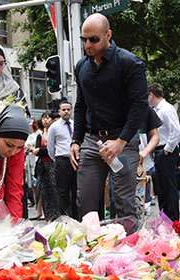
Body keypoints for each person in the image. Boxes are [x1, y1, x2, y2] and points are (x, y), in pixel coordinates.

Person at [70, 13, 149, 220]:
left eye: (94, 39)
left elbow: (139, 106)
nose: (88, 45)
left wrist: (121, 142)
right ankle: (90, 248)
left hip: (122, 140)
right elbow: (80, 105)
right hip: (91, 140)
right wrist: (76, 141)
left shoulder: (130, 63)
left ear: (108, 35)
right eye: (84, 39)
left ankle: (127, 250)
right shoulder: (81, 67)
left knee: (123, 204)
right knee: (85, 202)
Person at [148, 85, 180, 221]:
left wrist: (167, 150)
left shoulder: (167, 109)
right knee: (161, 187)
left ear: (151, 94)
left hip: (166, 151)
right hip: (159, 150)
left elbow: (176, 131)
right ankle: (164, 218)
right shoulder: (156, 109)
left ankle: (173, 219)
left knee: (169, 187)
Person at [48, 100, 78, 218]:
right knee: (63, 191)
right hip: (62, 161)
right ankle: (65, 218)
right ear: (59, 112)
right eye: (63, 110)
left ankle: (77, 218)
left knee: (76, 190)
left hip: (75, 160)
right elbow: (50, 147)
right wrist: (57, 160)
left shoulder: (75, 124)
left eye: (68, 109)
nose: (66, 112)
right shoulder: (54, 127)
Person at [33, 111, 59, 221]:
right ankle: (47, 215)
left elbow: (51, 149)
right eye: (44, 118)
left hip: (52, 164)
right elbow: (37, 150)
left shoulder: (55, 132)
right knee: (44, 190)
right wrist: (39, 150)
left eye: (48, 118)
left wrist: (40, 150)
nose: (45, 120)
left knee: (54, 190)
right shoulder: (40, 134)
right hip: (42, 165)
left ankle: (56, 214)